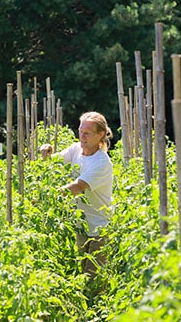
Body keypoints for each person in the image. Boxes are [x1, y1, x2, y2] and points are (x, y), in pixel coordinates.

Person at [39, 111, 113, 279]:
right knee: (82, 274)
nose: (82, 136)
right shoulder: (76, 149)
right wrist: (47, 153)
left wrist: (44, 198)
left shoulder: (101, 162)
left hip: (99, 227)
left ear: (100, 134)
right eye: (80, 131)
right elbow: (54, 162)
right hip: (81, 224)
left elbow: (77, 187)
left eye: (87, 133)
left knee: (93, 278)